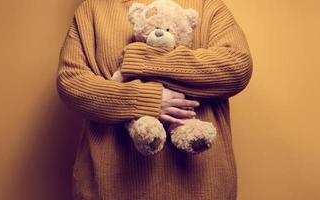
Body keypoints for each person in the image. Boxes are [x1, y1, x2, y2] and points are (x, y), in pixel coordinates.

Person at [56, 0, 253, 199]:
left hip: (201, 186)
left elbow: (238, 67)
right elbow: (71, 83)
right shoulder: (92, 10)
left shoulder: (206, 5)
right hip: (109, 186)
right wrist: (147, 100)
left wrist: (141, 59)